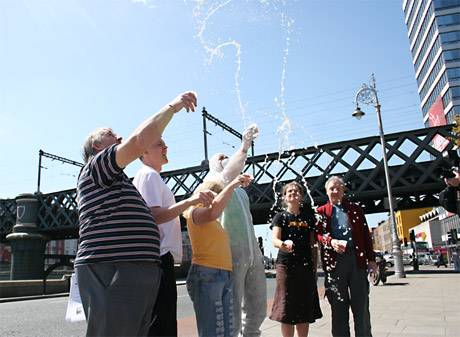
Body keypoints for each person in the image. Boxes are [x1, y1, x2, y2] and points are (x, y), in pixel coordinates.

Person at [75, 91, 197, 337]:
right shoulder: (97, 165)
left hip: (132, 267)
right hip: (113, 267)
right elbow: (139, 140)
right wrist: (173, 106)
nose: (119, 136)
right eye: (111, 134)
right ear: (97, 146)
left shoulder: (116, 178)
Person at [133, 138, 214, 337]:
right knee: (162, 323)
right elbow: (155, 215)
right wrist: (190, 201)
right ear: (143, 153)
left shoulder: (151, 176)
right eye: (158, 144)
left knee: (160, 321)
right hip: (158, 258)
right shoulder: (149, 175)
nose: (165, 147)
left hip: (157, 257)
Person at [206, 124, 267, 337]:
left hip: (253, 255)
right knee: (232, 312)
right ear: (214, 164)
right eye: (221, 157)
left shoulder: (241, 192)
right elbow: (228, 173)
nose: (225, 159)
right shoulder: (212, 184)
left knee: (258, 308)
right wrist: (244, 146)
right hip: (230, 255)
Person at [184, 174, 253, 337]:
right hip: (206, 273)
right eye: (217, 193)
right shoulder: (194, 213)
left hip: (223, 274)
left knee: (227, 331)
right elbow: (212, 212)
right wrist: (232, 185)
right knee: (213, 332)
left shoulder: (214, 221)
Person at [316, 176, 377, 337]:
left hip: (356, 261)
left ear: (344, 190)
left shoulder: (356, 209)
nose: (335, 191)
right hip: (335, 264)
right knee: (338, 306)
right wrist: (330, 242)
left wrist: (371, 260)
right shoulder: (321, 212)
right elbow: (317, 235)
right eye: (331, 189)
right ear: (326, 192)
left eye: (338, 188)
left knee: (361, 305)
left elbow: (365, 235)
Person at [269, 181, 322, 337]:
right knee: (287, 307)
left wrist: (314, 267)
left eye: (296, 191)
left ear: (301, 196)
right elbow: (274, 240)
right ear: (284, 197)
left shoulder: (309, 218)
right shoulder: (280, 217)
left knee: (304, 306)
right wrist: (283, 244)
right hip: (285, 266)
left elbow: (313, 244)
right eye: (289, 191)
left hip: (305, 266)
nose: (292, 193)